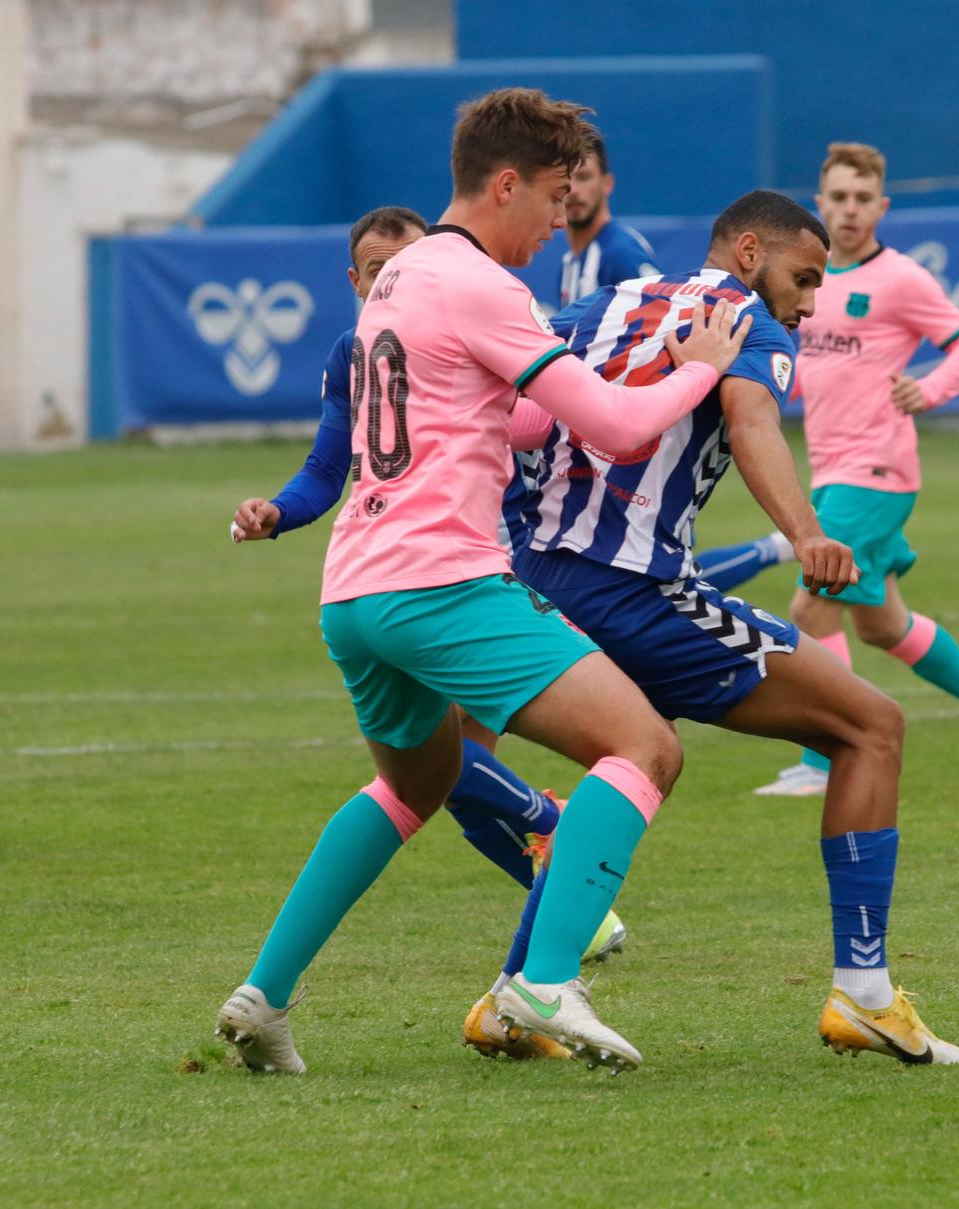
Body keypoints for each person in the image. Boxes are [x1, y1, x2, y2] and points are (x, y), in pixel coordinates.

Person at [212, 88, 751, 1075]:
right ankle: (542, 981)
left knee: (410, 784)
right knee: (642, 747)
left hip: (354, 594)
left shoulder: (402, 276)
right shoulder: (481, 286)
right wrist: (697, 368)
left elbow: (522, 422)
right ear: (504, 184)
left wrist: (548, 385)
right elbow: (621, 430)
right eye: (551, 196)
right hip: (441, 585)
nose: (557, 221)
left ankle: (264, 995)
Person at [486, 188, 959, 1067]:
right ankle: (863, 994)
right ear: (749, 252)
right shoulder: (744, 317)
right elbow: (752, 424)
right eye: (804, 276)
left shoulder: (607, 302)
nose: (810, 301)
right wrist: (806, 532)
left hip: (532, 577)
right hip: (633, 588)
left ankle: (515, 996)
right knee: (872, 727)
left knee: (622, 762)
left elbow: (512, 406)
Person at [228, 205, 627, 1003]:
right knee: (623, 747)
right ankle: (548, 870)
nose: (393, 280)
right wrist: (278, 510)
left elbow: (529, 423)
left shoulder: (454, 313)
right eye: (375, 271)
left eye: (403, 263)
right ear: (357, 280)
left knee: (432, 778)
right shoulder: (356, 352)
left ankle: (543, 940)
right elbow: (325, 466)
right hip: (445, 574)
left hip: (475, 560)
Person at [707, 143, 959, 799]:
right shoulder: (804, 280)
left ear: (880, 206)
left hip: (876, 469)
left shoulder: (900, 279)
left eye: (862, 199)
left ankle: (823, 762)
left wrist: (930, 390)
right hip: (832, 470)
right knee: (881, 624)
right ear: (819, 204)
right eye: (839, 198)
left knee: (810, 598)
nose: (850, 211)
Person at [557, 132, 658, 308]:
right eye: (564, 179)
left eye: (584, 177)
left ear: (607, 184)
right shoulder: (569, 262)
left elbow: (661, 317)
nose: (573, 190)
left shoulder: (621, 254)